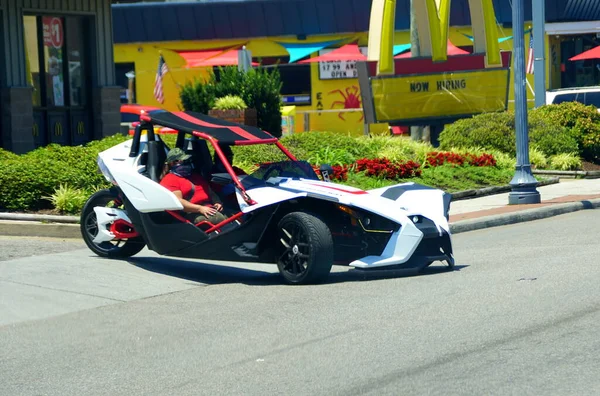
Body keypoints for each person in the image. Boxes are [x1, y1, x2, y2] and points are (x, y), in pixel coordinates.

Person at [160, 148, 228, 226]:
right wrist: (200, 208)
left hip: (208, 207)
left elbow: (210, 192)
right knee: (218, 218)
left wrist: (217, 202)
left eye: (187, 161)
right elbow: (178, 202)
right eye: (183, 161)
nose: (186, 164)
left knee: (233, 214)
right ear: (172, 163)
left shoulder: (195, 176)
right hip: (190, 213)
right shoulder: (169, 179)